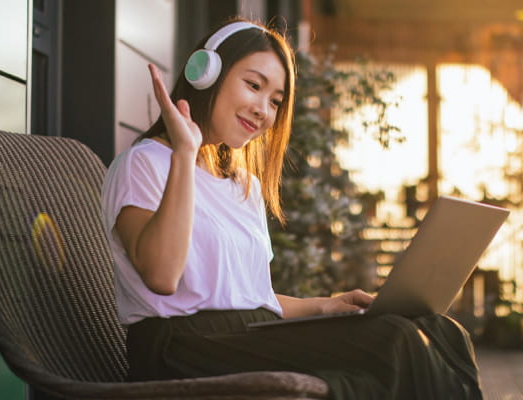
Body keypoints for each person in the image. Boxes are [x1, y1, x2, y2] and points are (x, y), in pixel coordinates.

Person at [101, 18, 482, 400]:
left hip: (245, 335)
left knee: (441, 330)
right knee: (394, 341)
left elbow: (250, 297)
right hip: (178, 349)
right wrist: (184, 154)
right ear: (206, 74)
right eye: (253, 85)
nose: (264, 111)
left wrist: (325, 306)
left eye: (276, 101)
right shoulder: (146, 163)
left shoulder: (242, 184)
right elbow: (163, 277)